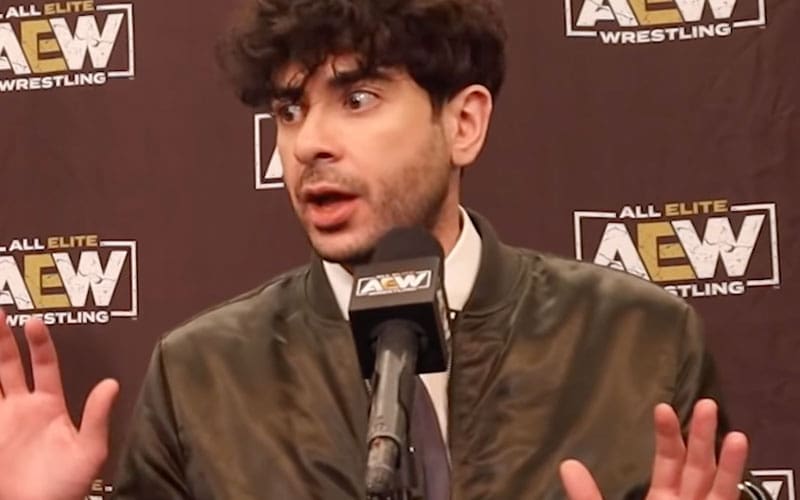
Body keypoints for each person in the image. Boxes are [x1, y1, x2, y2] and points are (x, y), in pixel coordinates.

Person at [0, 0, 755, 498]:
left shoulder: (639, 341)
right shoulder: (200, 375)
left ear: (463, 124)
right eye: (290, 109)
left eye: (357, 99)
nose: (308, 143)